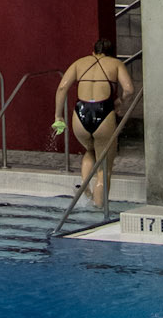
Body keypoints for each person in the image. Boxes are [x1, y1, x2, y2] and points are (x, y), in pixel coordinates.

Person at [53, 38, 134, 210]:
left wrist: (58, 116)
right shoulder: (116, 64)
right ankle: (98, 211)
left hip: (80, 113)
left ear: (93, 50)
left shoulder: (79, 63)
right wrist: (119, 102)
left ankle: (84, 186)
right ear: (112, 51)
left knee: (90, 150)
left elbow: (62, 88)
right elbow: (129, 89)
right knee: (104, 167)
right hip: (103, 112)